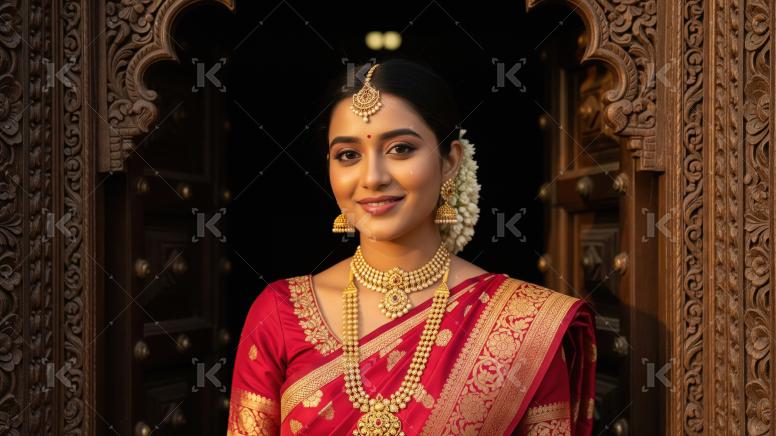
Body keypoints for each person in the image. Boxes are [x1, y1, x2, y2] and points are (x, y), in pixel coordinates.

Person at [226, 59, 596, 435]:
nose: (373, 177)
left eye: (401, 148)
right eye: (348, 155)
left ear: (450, 162)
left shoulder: (525, 325)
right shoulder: (279, 313)